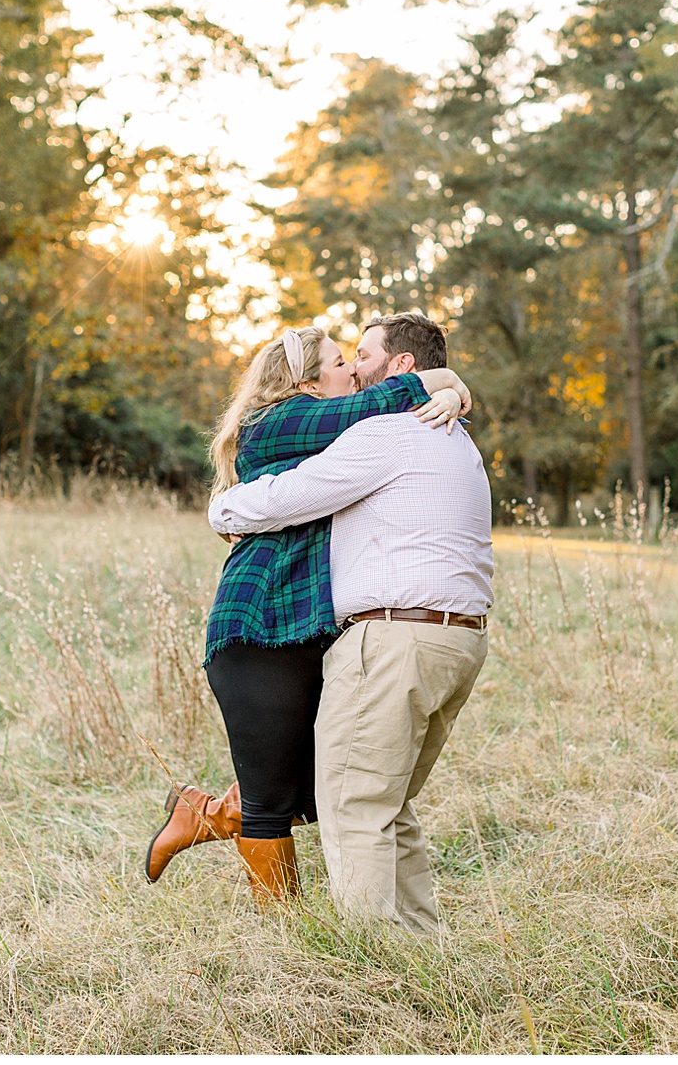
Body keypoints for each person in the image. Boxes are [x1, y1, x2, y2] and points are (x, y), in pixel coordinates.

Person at [144, 324, 472, 903]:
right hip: (262, 624)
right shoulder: (283, 421)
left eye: (357, 359)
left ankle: (204, 814)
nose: (351, 371)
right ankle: (285, 942)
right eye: (341, 361)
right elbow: (386, 397)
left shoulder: (348, 433)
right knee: (280, 797)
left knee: (330, 787)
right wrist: (441, 381)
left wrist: (446, 391)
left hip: (315, 628)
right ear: (305, 380)